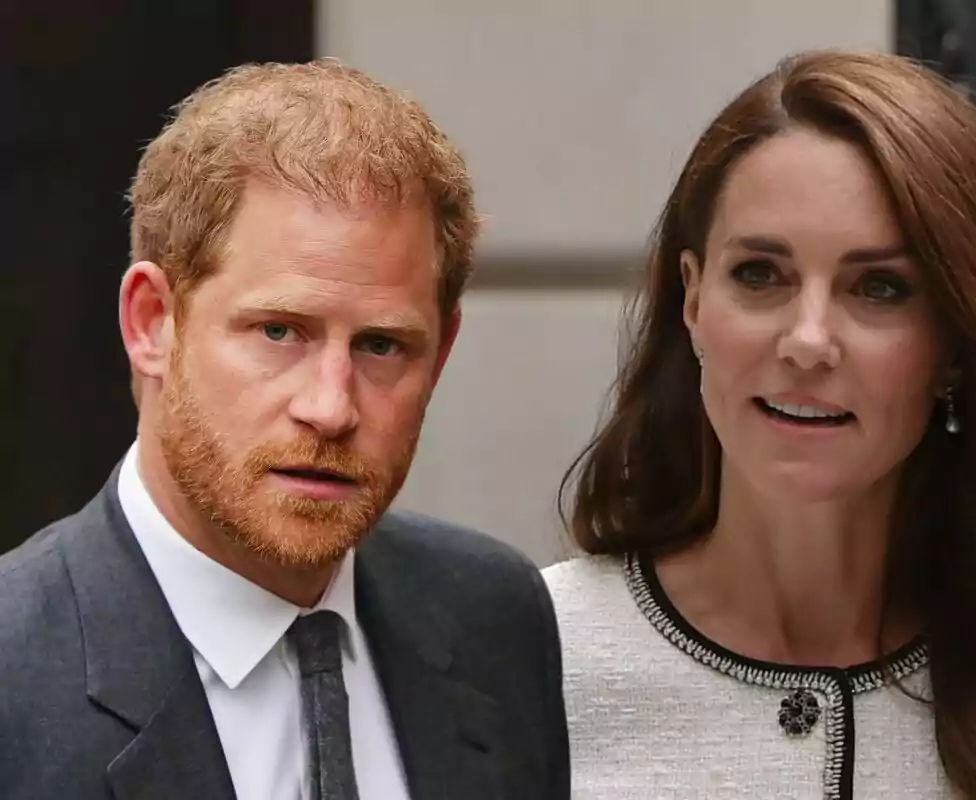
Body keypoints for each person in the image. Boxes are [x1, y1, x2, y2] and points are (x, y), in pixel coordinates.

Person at [543, 49, 976, 799]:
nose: (807, 341)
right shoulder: (536, 652)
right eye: (761, 274)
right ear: (693, 300)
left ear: (957, 345)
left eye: (879, 288)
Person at [0, 61, 569, 800]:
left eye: (382, 346)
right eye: (280, 331)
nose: (331, 408)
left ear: (443, 351)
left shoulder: (494, 616)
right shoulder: (15, 674)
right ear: (151, 323)